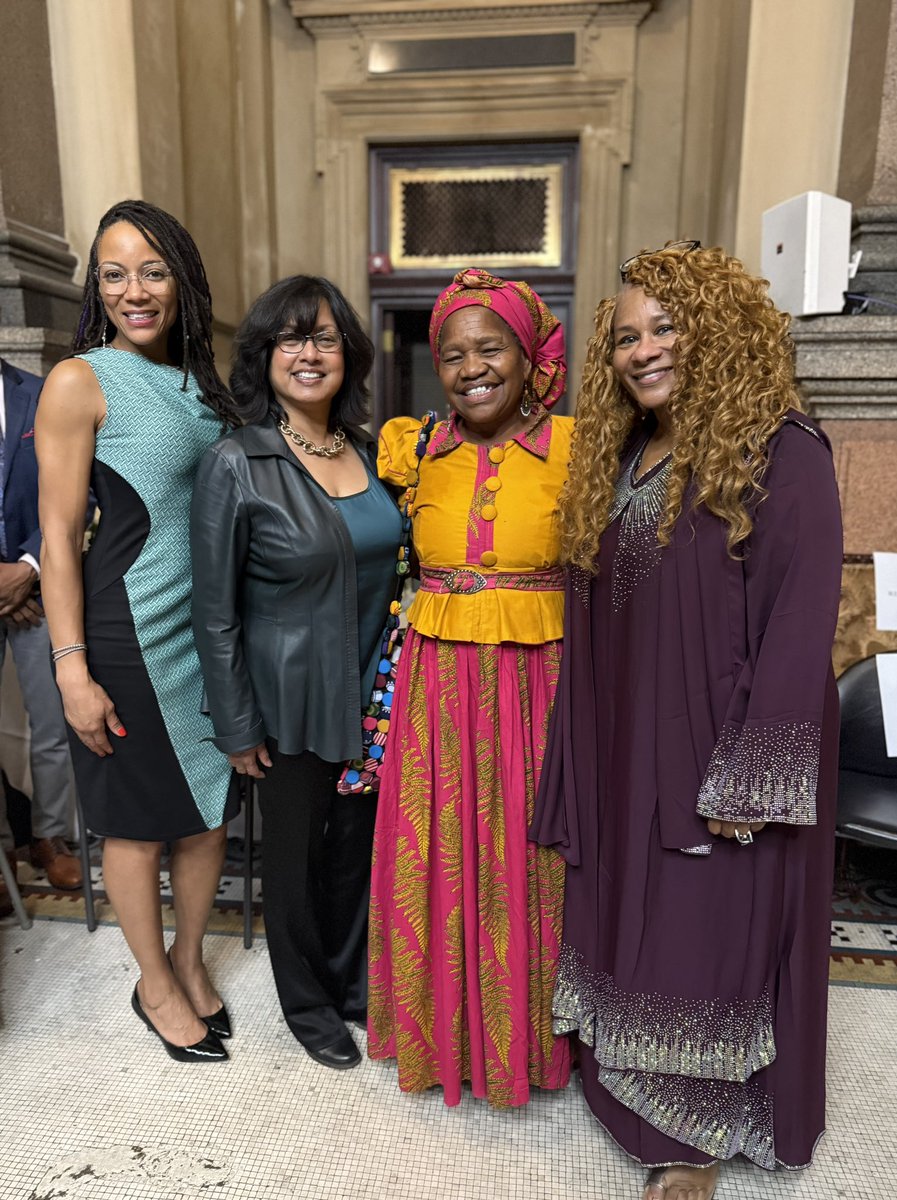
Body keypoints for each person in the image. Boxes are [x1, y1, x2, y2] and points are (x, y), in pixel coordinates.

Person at [531, 243, 843, 1198]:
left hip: (718, 737)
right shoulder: (625, 454)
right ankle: (630, 1089)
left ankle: (694, 1140)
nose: (644, 351)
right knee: (634, 911)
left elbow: (801, 616)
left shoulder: (781, 447)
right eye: (627, 338)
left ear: (718, 330)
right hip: (627, 734)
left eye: (665, 327)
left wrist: (754, 769)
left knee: (708, 931)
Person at [35, 199, 238, 1063]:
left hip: (206, 638)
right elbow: (57, 537)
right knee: (136, 824)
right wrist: (70, 669)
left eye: (152, 271)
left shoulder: (204, 386)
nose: (134, 291)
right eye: (114, 274)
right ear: (97, 286)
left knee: (207, 813)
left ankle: (189, 961)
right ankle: (153, 985)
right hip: (127, 634)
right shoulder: (79, 381)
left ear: (182, 280)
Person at [368, 267, 573, 1108]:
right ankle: (440, 1037)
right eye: (452, 354)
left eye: (491, 349)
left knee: (532, 858)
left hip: (540, 686)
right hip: (437, 689)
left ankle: (529, 1046)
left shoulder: (579, 448)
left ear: (529, 358)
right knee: (438, 850)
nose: (471, 368)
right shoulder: (413, 451)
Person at [190, 275, 402, 1071]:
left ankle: (350, 986)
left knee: (356, 848)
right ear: (263, 355)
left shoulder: (372, 452)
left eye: (323, 337)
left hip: (375, 693)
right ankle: (308, 1005)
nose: (307, 353)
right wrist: (236, 722)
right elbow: (214, 611)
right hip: (288, 700)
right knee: (296, 860)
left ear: (348, 354)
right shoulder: (236, 462)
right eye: (289, 337)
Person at [0, 355, 83, 913]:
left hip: (40, 585)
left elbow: (81, 487)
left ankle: (49, 836)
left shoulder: (42, 391)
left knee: (53, 724)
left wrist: (28, 570)